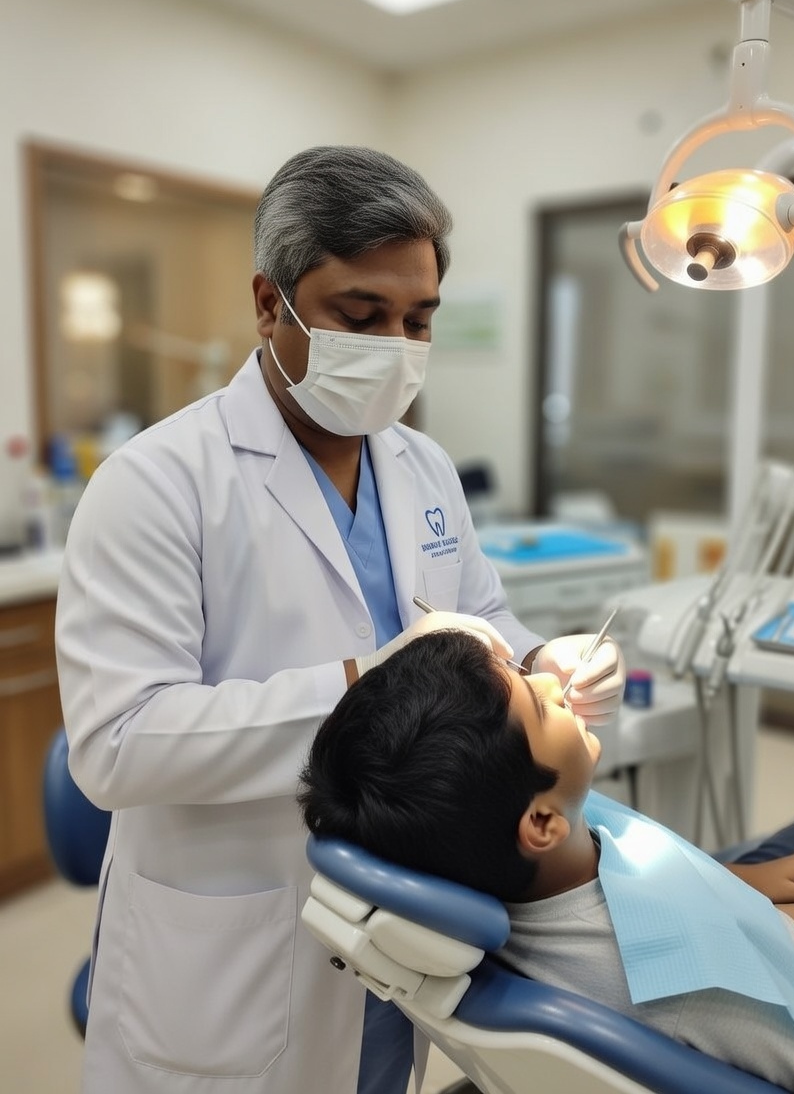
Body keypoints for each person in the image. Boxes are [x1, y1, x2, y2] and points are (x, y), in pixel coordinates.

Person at [54, 145, 624, 1094]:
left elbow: (476, 612)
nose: (396, 345)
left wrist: (541, 655)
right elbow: (119, 745)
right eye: (362, 317)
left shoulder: (422, 467)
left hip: (409, 916)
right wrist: (368, 685)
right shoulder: (155, 485)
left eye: (418, 320)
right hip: (236, 937)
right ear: (269, 302)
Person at [299, 628, 794, 1094]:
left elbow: (629, 882)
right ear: (542, 824)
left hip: (726, 907)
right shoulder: (696, 993)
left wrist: (737, 882)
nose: (552, 683)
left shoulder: (504, 852)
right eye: (538, 703)